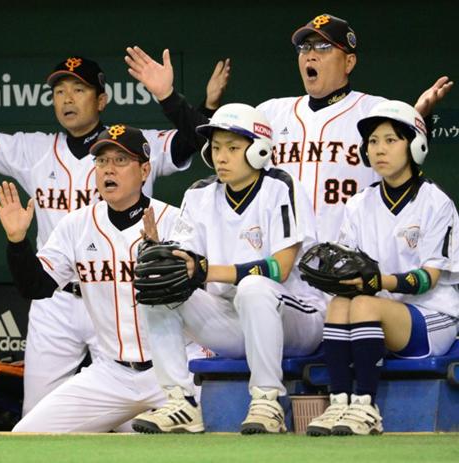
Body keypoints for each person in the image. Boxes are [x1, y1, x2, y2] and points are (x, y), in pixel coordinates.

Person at [0, 55, 227, 416]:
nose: (67, 98)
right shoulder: (35, 150)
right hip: (57, 299)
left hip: (118, 293)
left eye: (78, 89)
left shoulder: (132, 146)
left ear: (101, 100)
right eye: (58, 91)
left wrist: (176, 99)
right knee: (38, 415)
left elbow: (200, 141)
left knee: (138, 418)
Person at [125, 13, 453, 243]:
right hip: (285, 266)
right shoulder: (272, 112)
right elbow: (216, 143)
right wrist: (169, 97)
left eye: (323, 47)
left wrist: (416, 118)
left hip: (353, 259)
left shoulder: (374, 113)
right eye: (304, 48)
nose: (310, 55)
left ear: (349, 62)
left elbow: (406, 163)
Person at [131, 104, 326, 434]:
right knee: (159, 288)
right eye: (217, 148)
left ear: (259, 150)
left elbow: (280, 268)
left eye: (233, 148)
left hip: (296, 318)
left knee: (254, 287)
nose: (221, 157)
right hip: (231, 321)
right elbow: (186, 263)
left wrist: (205, 271)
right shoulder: (199, 194)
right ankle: (181, 401)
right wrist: (160, 254)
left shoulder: (280, 186)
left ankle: (267, 400)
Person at [0, 125, 186, 432]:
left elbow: (196, 292)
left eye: (121, 160)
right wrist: (17, 243)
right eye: (101, 161)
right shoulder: (77, 225)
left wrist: (161, 259)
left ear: (145, 170)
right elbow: (36, 287)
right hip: (112, 375)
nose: (109, 169)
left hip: (175, 369)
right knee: (28, 435)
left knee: (215, 437)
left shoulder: (175, 221)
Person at [305, 101, 459, 436]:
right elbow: (348, 265)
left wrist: (377, 281)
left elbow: (427, 278)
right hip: (378, 313)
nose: (379, 149)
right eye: (373, 141)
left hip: (433, 314)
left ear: (415, 146)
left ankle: (366, 406)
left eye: (391, 140)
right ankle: (339, 401)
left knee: (364, 303)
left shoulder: (436, 202)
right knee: (340, 303)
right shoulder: (359, 203)